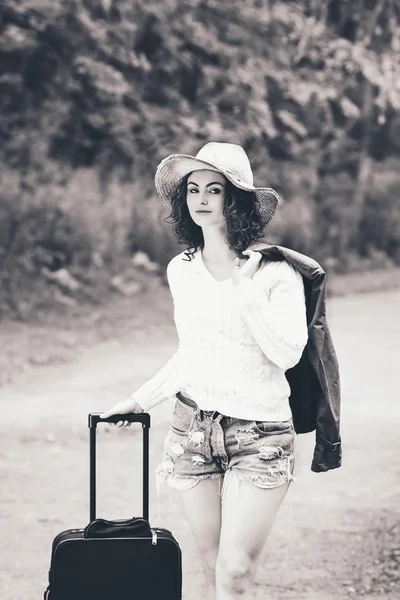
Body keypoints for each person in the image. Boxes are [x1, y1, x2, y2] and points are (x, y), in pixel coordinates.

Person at [101, 142, 309, 599]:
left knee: (234, 572)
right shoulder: (182, 270)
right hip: (193, 429)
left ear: (235, 201)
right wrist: (137, 402)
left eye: (214, 189)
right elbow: (193, 354)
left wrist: (244, 287)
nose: (201, 198)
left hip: (260, 433)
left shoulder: (276, 272)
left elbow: (288, 353)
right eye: (193, 189)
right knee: (212, 563)